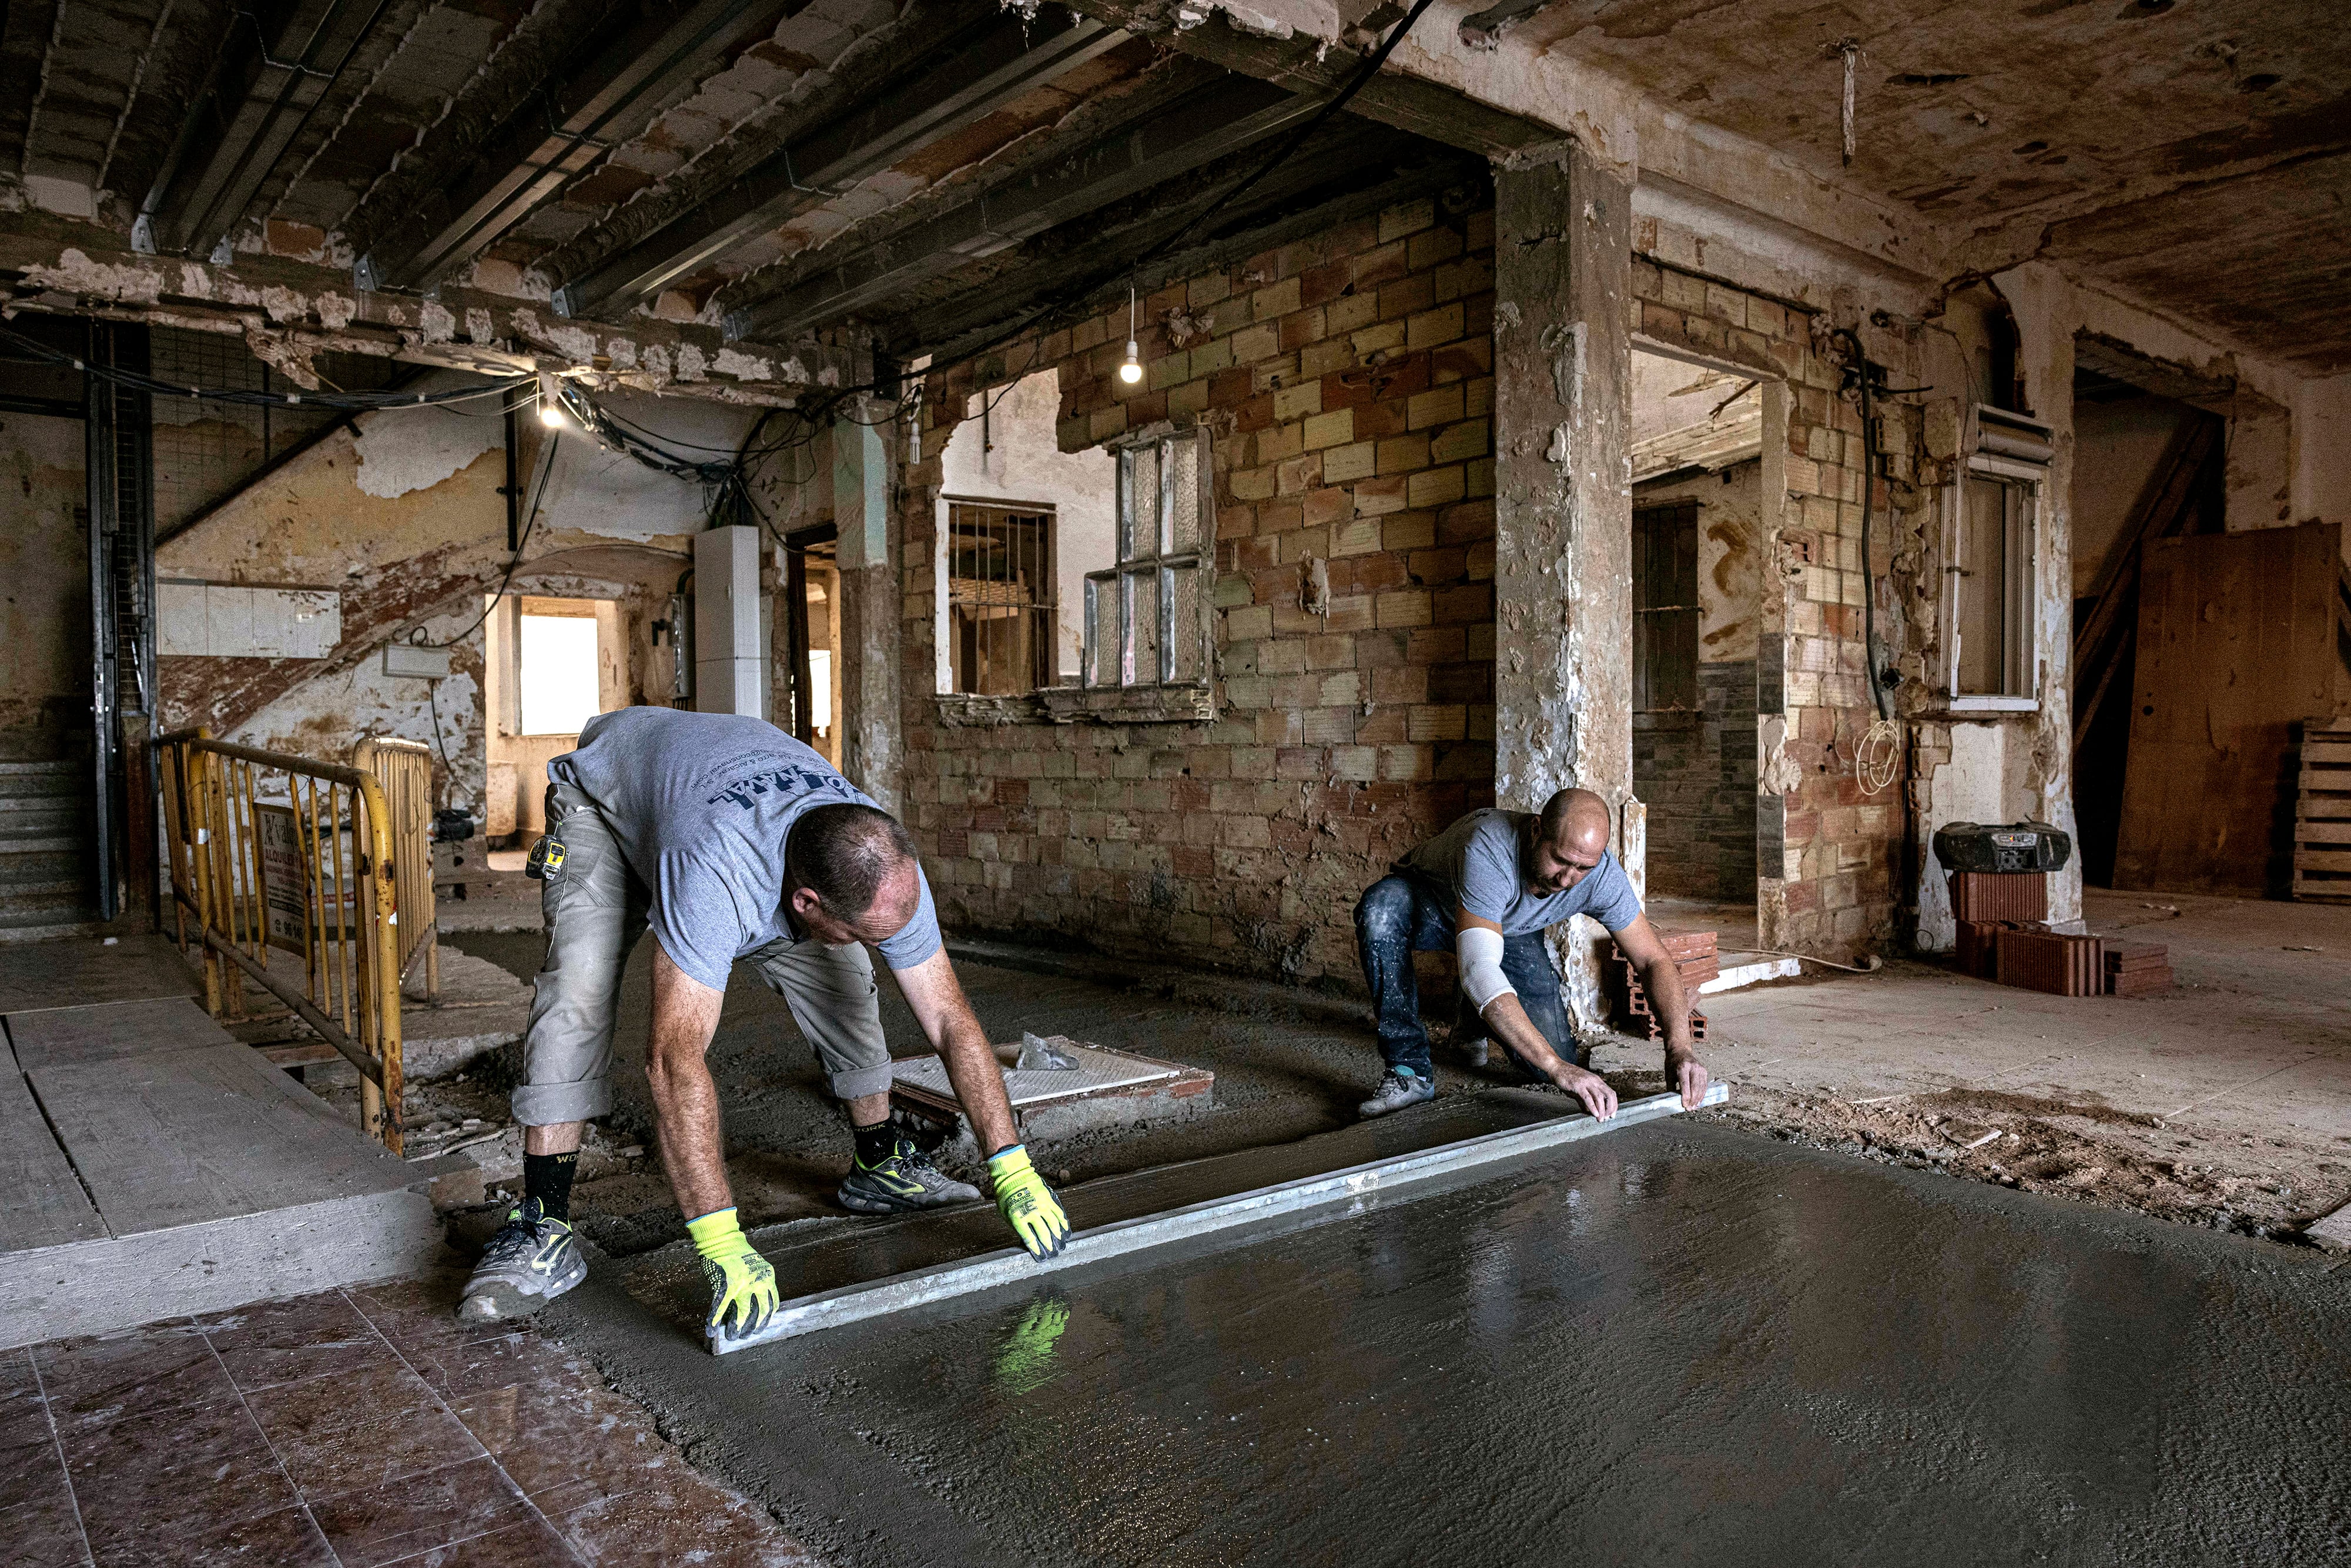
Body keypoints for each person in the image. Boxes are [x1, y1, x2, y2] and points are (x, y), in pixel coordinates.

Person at [458, 708, 1067, 1339]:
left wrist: (1012, 1165)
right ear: (807, 903)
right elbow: (673, 1057)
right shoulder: (713, 871)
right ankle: (541, 1224)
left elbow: (948, 1018)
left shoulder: (878, 862)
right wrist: (721, 1238)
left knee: (846, 976)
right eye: (864, 927)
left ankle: (880, 1161)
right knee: (578, 991)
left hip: (713, 795)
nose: (890, 939)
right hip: (609, 805)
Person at [1352, 787, 1710, 1121]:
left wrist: (1680, 1048)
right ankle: (1409, 1069)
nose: (1568, 879)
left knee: (1553, 1063)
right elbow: (1479, 968)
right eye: (1560, 860)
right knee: (1381, 910)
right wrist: (1557, 1069)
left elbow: (1653, 960)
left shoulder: (1600, 874)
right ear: (1537, 830)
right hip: (1431, 909)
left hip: (1505, 931)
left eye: (1583, 868)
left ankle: (1472, 1020)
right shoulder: (1488, 846)